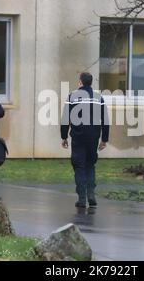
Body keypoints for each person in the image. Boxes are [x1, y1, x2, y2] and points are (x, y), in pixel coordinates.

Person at [61, 72, 109, 208]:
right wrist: (104, 139)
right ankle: (91, 195)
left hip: (78, 137)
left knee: (79, 166)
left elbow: (65, 118)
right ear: (91, 82)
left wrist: (64, 136)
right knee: (90, 165)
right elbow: (105, 119)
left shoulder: (72, 96)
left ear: (80, 82)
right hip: (93, 137)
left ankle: (82, 198)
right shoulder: (99, 97)